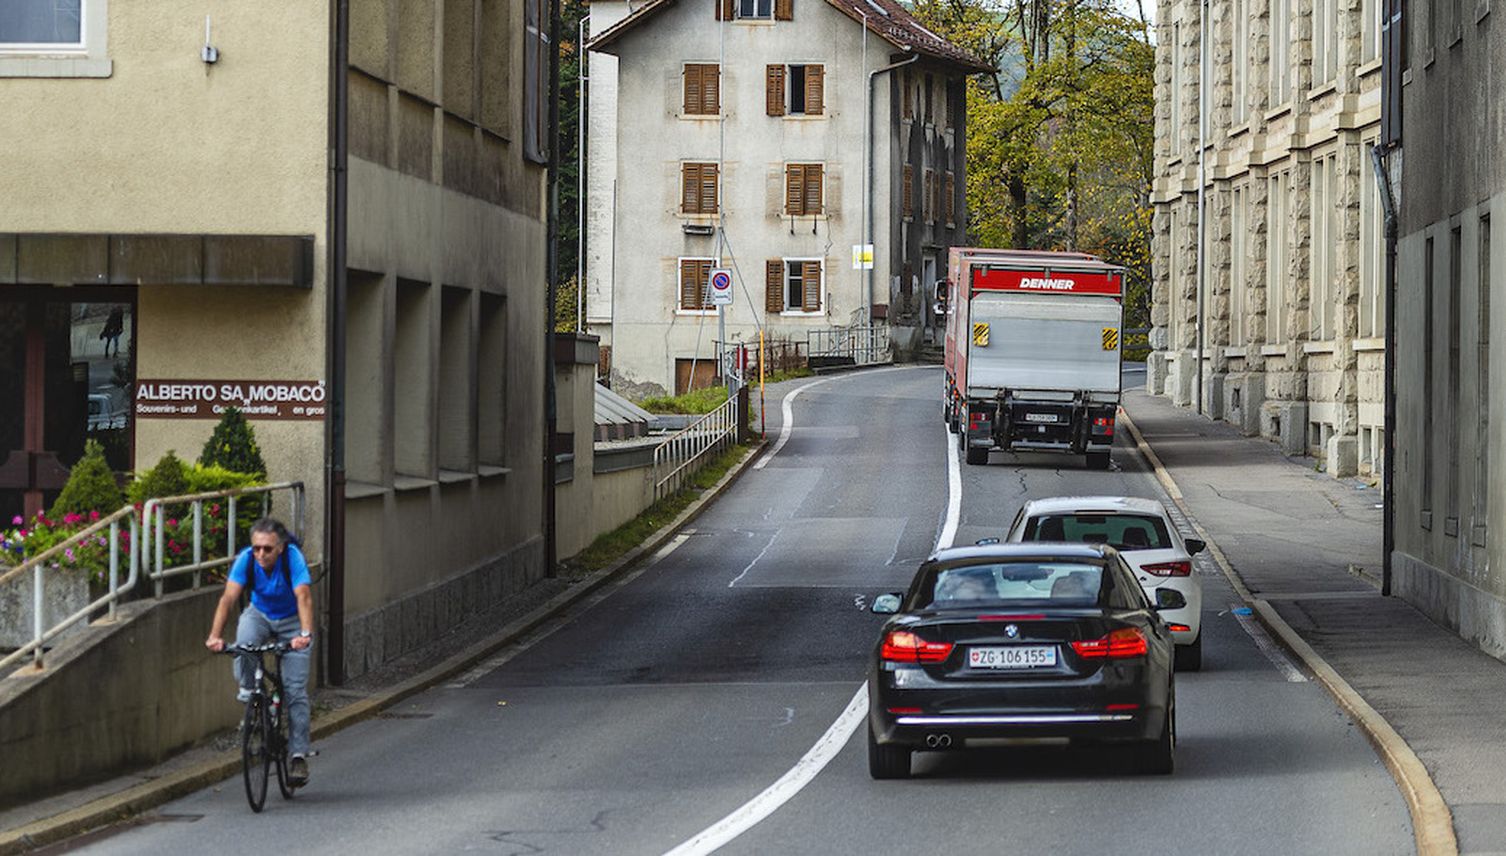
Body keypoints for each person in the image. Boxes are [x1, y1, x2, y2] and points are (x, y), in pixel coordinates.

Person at [205, 518, 314, 786]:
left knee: (295, 690)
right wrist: (215, 636)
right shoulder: (246, 559)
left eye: (267, 549)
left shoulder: (293, 558)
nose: (261, 554)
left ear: (280, 547)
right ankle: (252, 707)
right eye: (256, 548)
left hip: (291, 621)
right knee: (243, 646)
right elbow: (228, 598)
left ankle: (298, 755)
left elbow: (304, 597)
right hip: (260, 615)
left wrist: (305, 634)